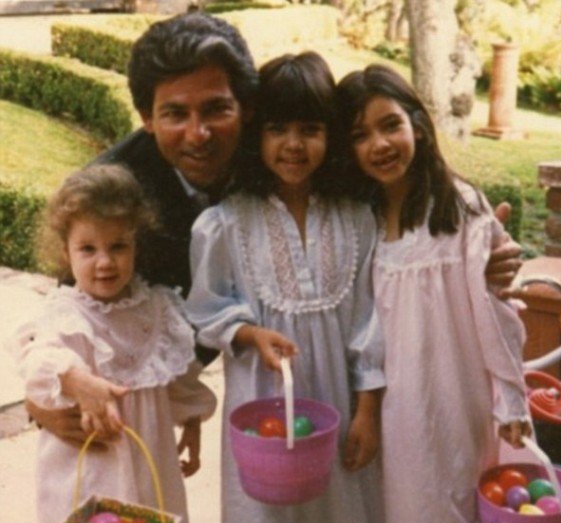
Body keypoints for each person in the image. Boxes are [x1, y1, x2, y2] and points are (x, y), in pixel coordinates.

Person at [28, 10, 521, 442]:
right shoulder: (112, 195)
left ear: (246, 108)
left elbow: (397, 166)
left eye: (217, 109)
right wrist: (42, 399)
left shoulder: (281, 158)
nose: (198, 134)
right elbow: (67, 307)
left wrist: (473, 255)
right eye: (175, 114)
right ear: (146, 117)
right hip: (146, 390)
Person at [336, 64, 561, 523]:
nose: (379, 145)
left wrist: (511, 400)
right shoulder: (367, 220)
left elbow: (494, 315)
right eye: (360, 136)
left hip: (459, 394)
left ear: (417, 122)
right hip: (402, 410)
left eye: (390, 125)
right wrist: (369, 410)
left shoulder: (458, 208)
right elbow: (369, 329)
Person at [185, 52, 387, 523]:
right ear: (256, 133)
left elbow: (374, 323)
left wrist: (369, 412)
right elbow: (205, 307)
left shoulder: (357, 220)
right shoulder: (228, 222)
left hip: (344, 413)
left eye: (310, 129)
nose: (293, 145)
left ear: (332, 135)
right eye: (277, 128)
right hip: (262, 413)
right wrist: (247, 332)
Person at [10, 164, 216, 523]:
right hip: (87, 475)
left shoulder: (157, 306)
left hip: (150, 468)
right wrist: (76, 379)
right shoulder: (65, 313)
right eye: (88, 249)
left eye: (117, 246)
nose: (105, 262)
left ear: (136, 244)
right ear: (65, 251)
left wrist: (194, 422)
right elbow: (37, 360)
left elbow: (176, 377)